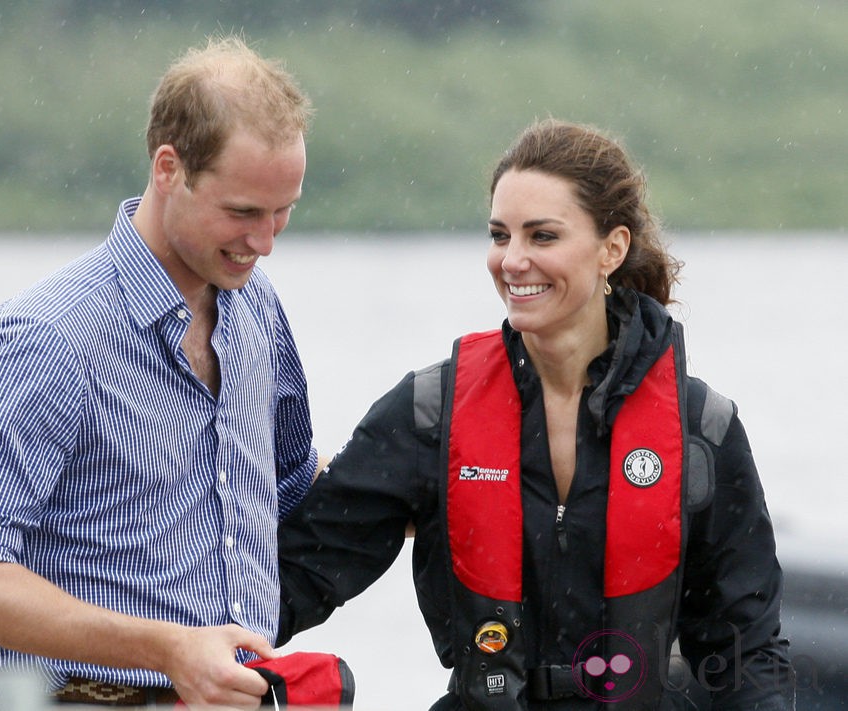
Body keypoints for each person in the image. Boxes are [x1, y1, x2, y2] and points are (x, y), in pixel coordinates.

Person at [277, 119, 795, 709]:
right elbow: (302, 571)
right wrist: (173, 655)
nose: (513, 261)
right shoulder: (427, 414)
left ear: (613, 248)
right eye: (500, 236)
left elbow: (745, 650)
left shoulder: (703, 429)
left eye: (542, 237)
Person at [0, 36, 321, 709]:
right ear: (169, 168)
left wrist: (444, 473)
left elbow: (289, 486)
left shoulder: (257, 305)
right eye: (243, 212)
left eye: (284, 211)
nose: (266, 241)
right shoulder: (46, 340)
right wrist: (167, 648)